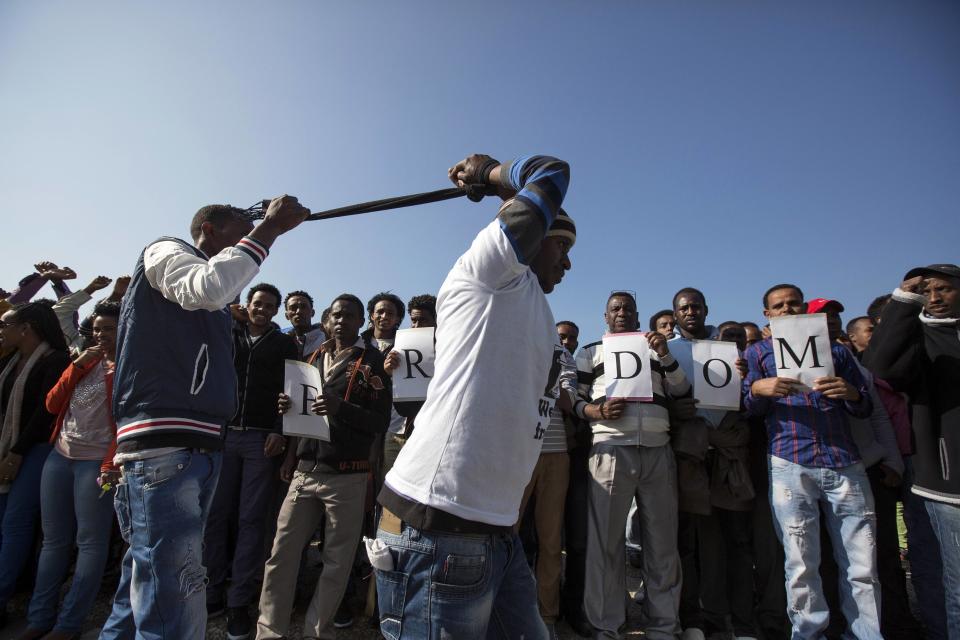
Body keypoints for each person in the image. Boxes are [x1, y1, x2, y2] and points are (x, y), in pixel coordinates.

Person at [376, 153, 572, 640]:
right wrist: (490, 175)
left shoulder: (538, 312)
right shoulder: (487, 276)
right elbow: (550, 171)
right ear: (532, 239)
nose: (568, 262)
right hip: (437, 527)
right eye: (561, 247)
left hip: (496, 532)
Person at [98, 196, 309, 640]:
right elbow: (210, 286)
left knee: (144, 581)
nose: (246, 246)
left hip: (199, 446)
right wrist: (268, 229)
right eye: (240, 233)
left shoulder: (216, 306)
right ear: (210, 231)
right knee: (175, 595)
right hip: (165, 447)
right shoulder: (166, 251)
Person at [743, 284, 880, 639]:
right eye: (778, 306)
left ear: (806, 309)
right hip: (789, 461)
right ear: (768, 315)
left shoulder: (837, 351)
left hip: (844, 461)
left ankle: (866, 634)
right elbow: (747, 407)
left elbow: (865, 406)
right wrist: (758, 389)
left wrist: (850, 393)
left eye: (793, 304)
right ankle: (807, 633)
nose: (787, 310)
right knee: (801, 563)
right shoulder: (757, 352)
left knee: (862, 564)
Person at [259, 293, 391, 640]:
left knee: (336, 562)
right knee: (281, 555)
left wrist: (339, 407)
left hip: (347, 473)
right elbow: (297, 417)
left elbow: (378, 421)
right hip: (306, 470)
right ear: (327, 320)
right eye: (336, 315)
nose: (341, 321)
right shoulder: (311, 359)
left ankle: (318, 632)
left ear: (361, 321)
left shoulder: (373, 362)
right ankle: (269, 631)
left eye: (349, 315)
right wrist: (287, 408)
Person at [575, 291, 688, 640]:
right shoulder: (590, 351)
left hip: (658, 451)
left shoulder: (657, 348)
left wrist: (665, 354)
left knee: (663, 544)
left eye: (628, 309)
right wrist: (595, 411)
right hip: (609, 450)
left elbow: (681, 390)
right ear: (606, 317)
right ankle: (606, 624)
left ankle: (664, 626)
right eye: (615, 309)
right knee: (606, 543)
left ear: (638, 316)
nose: (622, 313)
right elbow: (576, 400)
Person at [864, 264, 960, 638]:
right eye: (927, 291)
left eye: (944, 290)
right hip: (948, 483)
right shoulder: (920, 339)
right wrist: (904, 303)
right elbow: (880, 367)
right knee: (954, 583)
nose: (934, 298)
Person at [17, 302, 121, 640]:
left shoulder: (128, 368)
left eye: (109, 328)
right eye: (98, 328)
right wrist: (76, 366)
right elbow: (51, 404)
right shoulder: (83, 361)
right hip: (59, 457)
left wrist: (109, 465)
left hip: (95, 464)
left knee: (90, 543)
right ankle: (39, 618)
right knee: (53, 541)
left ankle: (68, 624)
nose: (101, 334)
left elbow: (123, 425)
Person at [204, 283, 298, 640]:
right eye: (257, 303)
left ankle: (238, 600)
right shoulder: (230, 333)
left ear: (276, 311)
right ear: (247, 304)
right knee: (215, 516)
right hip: (223, 434)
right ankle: (212, 588)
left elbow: (291, 391)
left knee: (251, 519)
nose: (262, 309)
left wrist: (280, 429)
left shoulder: (285, 344)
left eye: (269, 305)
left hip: (261, 439)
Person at [668, 288, 755, 640]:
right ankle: (695, 620)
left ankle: (743, 623)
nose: (690, 312)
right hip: (689, 455)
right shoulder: (666, 350)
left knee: (736, 542)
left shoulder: (730, 349)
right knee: (689, 544)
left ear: (706, 310)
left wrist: (745, 375)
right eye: (683, 308)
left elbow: (746, 400)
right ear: (675, 314)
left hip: (729, 456)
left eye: (696, 306)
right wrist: (675, 410)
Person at [0, 303, 71, 628]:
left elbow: (45, 413)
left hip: (36, 450)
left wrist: (16, 452)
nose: (2, 331)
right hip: (8, 448)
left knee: (16, 522)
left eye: (6, 325)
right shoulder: (11, 361)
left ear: (26, 328)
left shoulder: (55, 360)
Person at [382, 294, 437, 474]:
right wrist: (389, 372)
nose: (416, 326)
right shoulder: (399, 348)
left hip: (428, 434)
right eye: (413, 320)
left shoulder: (448, 350)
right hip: (395, 432)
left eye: (423, 321)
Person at [283, 290, 325, 360]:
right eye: (293, 308)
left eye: (303, 307)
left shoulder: (325, 338)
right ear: (287, 315)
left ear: (312, 312)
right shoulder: (281, 343)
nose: (298, 311)